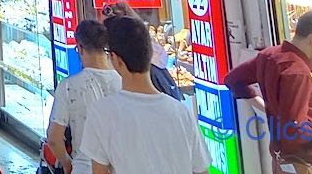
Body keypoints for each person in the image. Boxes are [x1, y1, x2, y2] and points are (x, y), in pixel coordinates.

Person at [75, 16, 210, 174]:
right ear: (150, 53)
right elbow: (202, 171)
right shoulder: (181, 112)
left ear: (115, 59)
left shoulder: (102, 113)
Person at [224, 8, 312, 174]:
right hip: (308, 165)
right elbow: (295, 134)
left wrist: (269, 109)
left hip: (283, 161)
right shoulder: (297, 72)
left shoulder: (270, 55)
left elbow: (233, 80)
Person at [45, 19, 120, 174]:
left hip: (85, 167)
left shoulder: (69, 86)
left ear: (79, 48)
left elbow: (53, 138)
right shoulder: (125, 82)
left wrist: (67, 163)